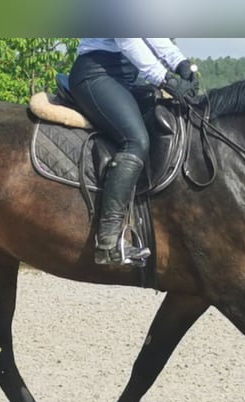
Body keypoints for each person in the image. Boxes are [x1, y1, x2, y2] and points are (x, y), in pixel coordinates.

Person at [68, 38, 199, 265]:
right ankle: (108, 241)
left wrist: (180, 63)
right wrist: (165, 79)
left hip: (125, 76)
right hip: (96, 74)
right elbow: (129, 40)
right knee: (135, 140)